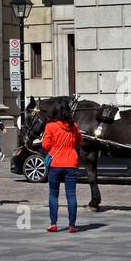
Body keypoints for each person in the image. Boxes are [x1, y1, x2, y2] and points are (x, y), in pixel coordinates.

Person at [41, 99, 82, 233]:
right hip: (71, 162)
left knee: (53, 194)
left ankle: (53, 223)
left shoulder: (50, 126)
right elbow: (79, 140)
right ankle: (72, 225)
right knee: (71, 194)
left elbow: (45, 145)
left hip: (55, 162)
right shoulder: (73, 125)